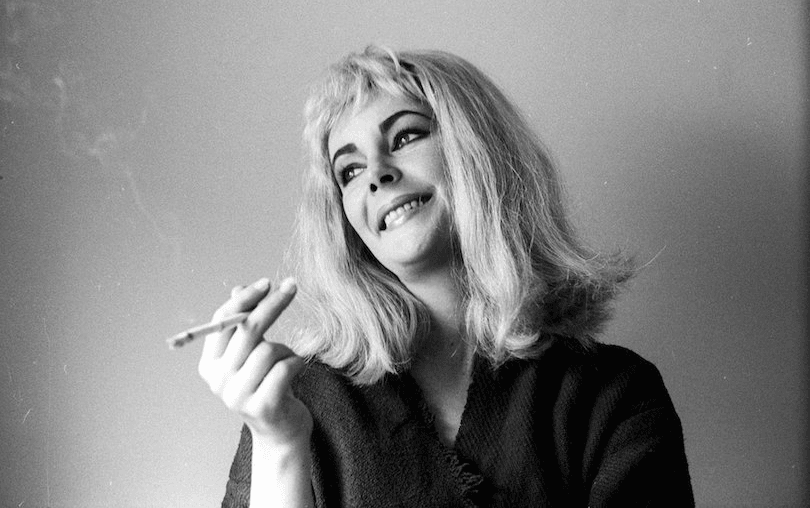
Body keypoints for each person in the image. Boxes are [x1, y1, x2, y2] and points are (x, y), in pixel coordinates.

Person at [197, 46, 694, 507]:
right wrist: (280, 446)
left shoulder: (614, 395)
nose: (375, 173)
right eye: (348, 172)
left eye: (405, 137)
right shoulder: (295, 404)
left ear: (480, 151)